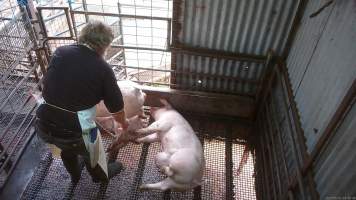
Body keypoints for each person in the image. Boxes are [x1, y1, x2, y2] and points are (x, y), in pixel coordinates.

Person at [35, 20, 129, 184]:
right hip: (75, 130)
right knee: (93, 148)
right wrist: (124, 123)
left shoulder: (61, 51)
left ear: (83, 36)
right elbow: (116, 107)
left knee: (67, 148)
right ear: (104, 45)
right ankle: (100, 174)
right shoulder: (103, 68)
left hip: (44, 122)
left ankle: (74, 174)